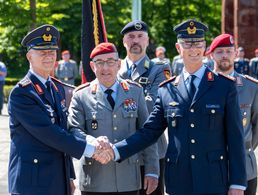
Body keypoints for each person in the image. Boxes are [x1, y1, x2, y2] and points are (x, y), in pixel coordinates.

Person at [95, 19, 247, 195]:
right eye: (187, 43)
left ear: (205, 48)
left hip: (213, 180)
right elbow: (149, 132)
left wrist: (238, 184)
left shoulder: (224, 86)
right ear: (178, 48)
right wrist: (115, 150)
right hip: (178, 181)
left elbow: (236, 139)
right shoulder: (167, 90)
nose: (193, 48)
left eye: (197, 43)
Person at [8, 24, 112, 195]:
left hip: (57, 179)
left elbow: (64, 131)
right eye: (42, 52)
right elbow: (51, 134)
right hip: (32, 182)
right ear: (29, 56)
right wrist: (92, 150)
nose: (48, 57)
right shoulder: (22, 93)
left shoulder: (55, 88)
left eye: (51, 52)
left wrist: (69, 177)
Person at [68, 42, 159, 195]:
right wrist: (93, 142)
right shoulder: (81, 96)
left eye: (110, 62)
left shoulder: (135, 92)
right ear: (92, 66)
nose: (105, 68)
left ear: (118, 64)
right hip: (94, 179)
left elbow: (147, 132)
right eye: (100, 63)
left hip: (128, 178)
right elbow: (73, 131)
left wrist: (152, 171)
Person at [118, 20, 171, 195]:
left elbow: (153, 107)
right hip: (121, 148)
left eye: (140, 36)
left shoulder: (159, 70)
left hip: (153, 151)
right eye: (131, 36)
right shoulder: (113, 70)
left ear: (147, 41)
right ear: (124, 41)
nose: (135, 40)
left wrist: (119, 106)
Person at [206, 33, 258, 195]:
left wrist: (244, 148)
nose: (225, 56)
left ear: (236, 54)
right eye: (220, 52)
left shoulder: (251, 87)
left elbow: (256, 125)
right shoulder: (202, 87)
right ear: (211, 54)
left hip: (244, 167)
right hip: (210, 167)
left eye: (229, 51)